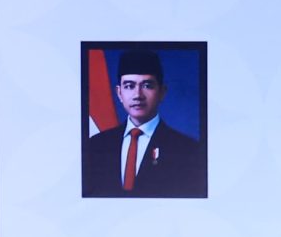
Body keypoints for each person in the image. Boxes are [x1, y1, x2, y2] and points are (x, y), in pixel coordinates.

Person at [81, 49, 207, 198]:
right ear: (119, 93)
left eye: (147, 85)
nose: (137, 95)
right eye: (129, 86)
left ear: (162, 92)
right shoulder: (96, 145)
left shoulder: (187, 150)